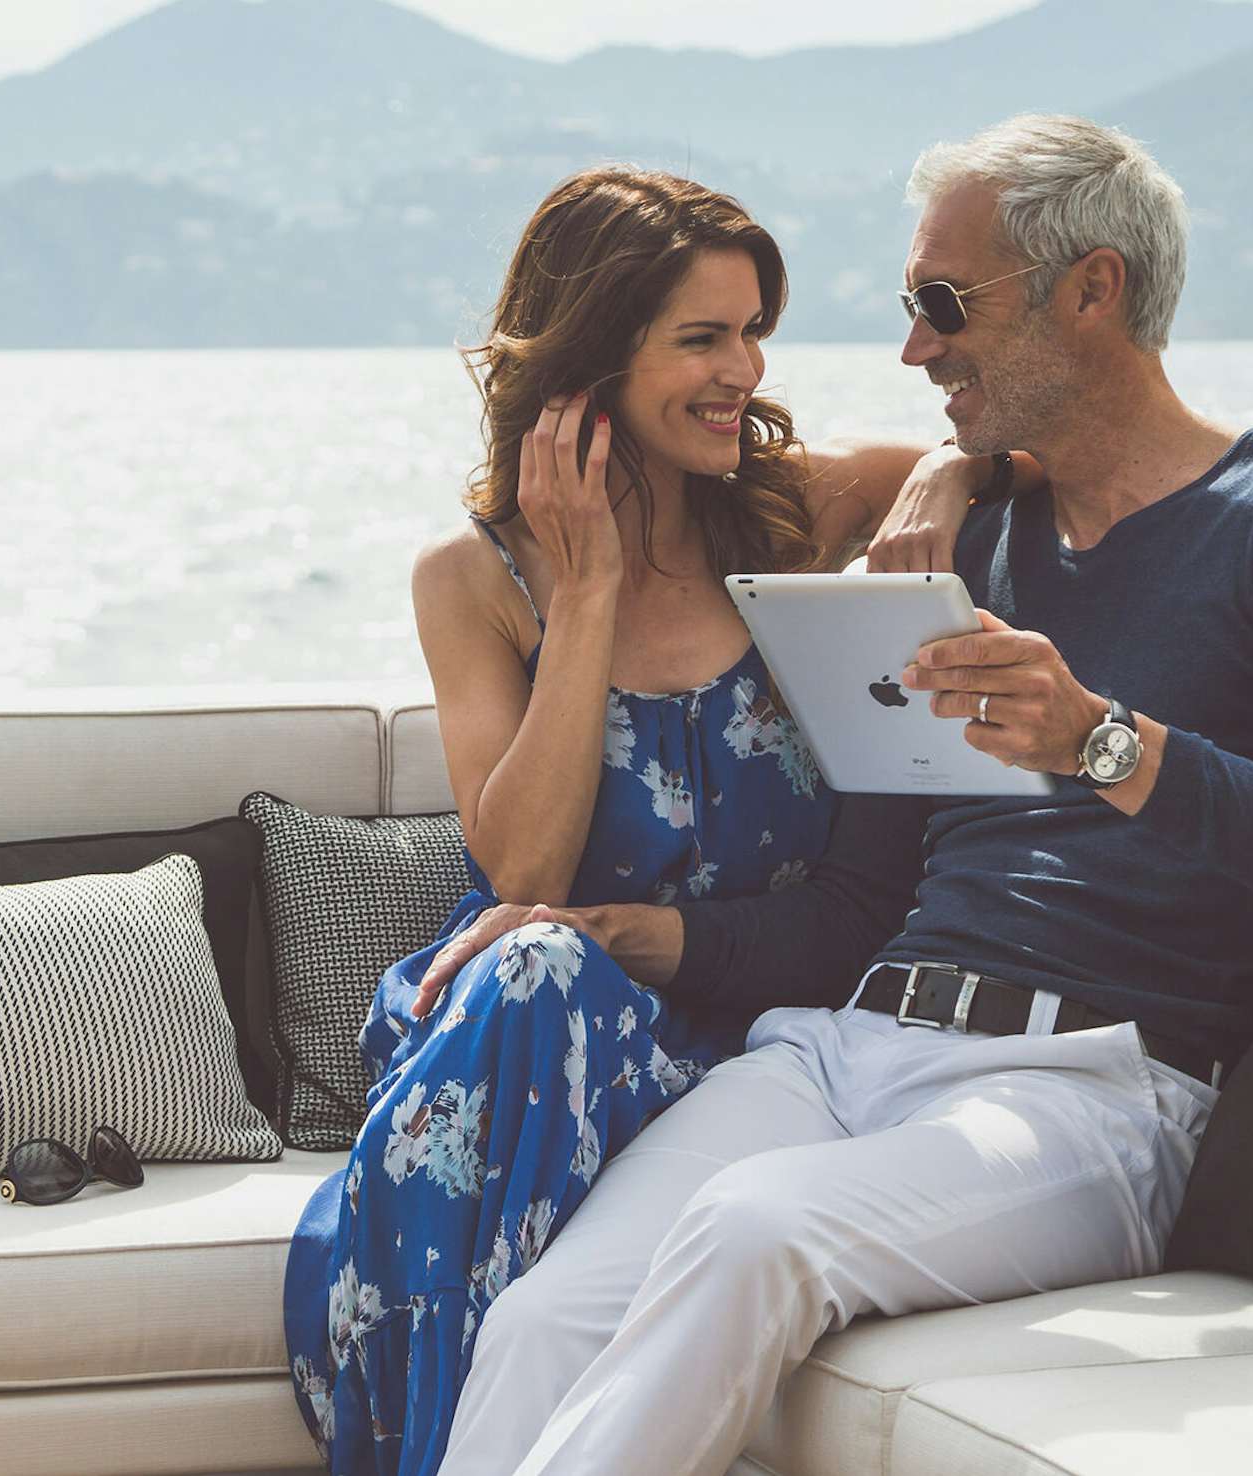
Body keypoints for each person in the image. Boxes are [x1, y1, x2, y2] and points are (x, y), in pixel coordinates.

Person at [417, 115, 1253, 1476]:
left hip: (1096, 1090)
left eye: (941, 303)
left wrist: (1104, 743)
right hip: (848, 1046)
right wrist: (606, 932)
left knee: (757, 1234)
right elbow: (858, 904)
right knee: (550, 1310)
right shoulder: (969, 538)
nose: (914, 348)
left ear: (1091, 289)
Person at [280, 166, 1022, 1476]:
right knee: (534, 964)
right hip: (537, 1037)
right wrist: (586, 596)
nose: (742, 370)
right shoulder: (475, 578)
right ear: (594, 351)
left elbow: (1012, 445)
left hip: (750, 1051)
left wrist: (940, 489)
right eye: (702, 338)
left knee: (539, 967)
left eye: (753, 334)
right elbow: (522, 864)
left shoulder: (796, 515)